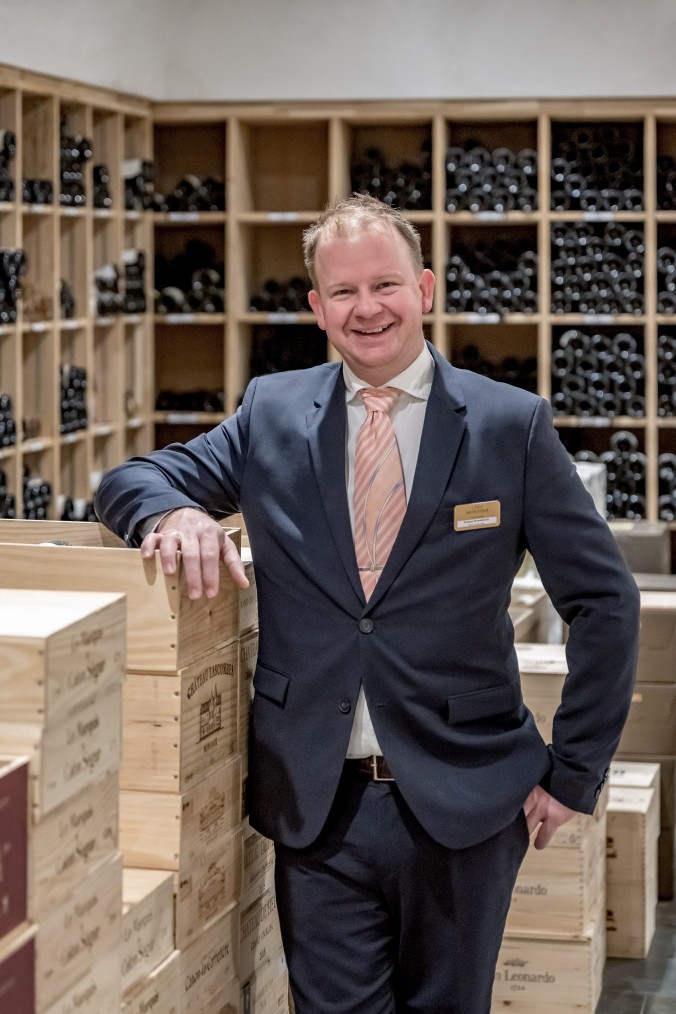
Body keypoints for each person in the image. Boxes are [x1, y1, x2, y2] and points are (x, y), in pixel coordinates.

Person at [95, 193, 640, 1013]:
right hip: (319, 804)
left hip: (466, 802)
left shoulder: (510, 425)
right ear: (317, 308)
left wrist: (575, 773)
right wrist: (174, 513)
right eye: (343, 291)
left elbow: (606, 601)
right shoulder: (272, 412)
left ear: (424, 289)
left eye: (384, 284)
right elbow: (130, 478)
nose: (367, 308)